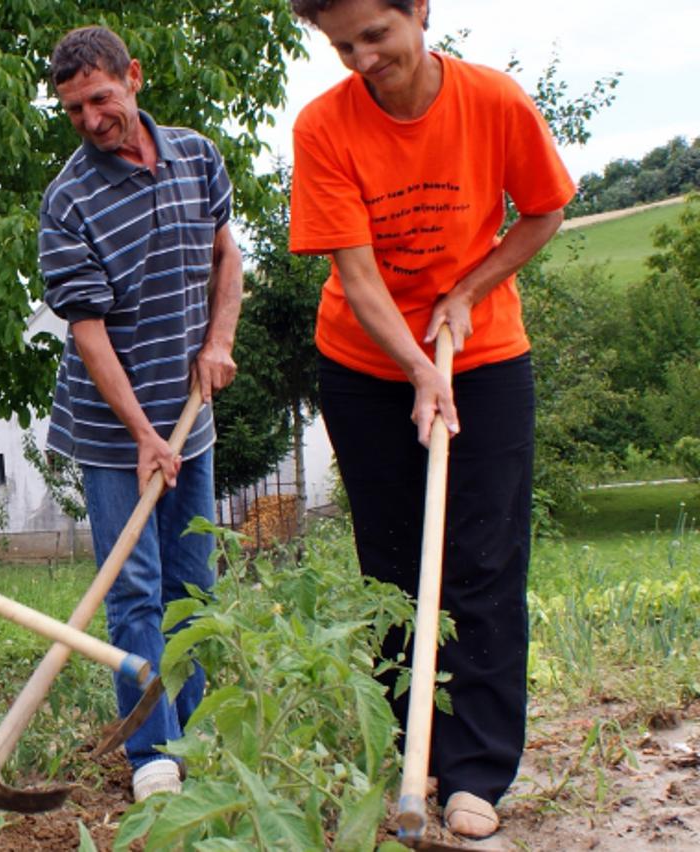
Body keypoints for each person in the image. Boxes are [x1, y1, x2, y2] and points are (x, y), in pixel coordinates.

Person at [287, 0, 574, 839]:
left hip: (482, 360)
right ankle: (411, 753)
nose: (362, 58)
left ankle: (476, 772)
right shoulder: (324, 127)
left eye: (376, 35)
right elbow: (358, 273)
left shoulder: (495, 103)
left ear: (418, 10)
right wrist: (415, 369)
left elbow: (545, 210)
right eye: (342, 46)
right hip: (365, 365)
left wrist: (468, 290)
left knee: (481, 559)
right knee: (394, 568)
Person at [39, 25, 243, 802]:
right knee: (134, 590)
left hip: (192, 412)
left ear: (134, 77)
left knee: (195, 585)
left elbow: (228, 253)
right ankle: (152, 755)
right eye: (72, 109)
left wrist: (219, 340)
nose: (90, 119)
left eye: (99, 98)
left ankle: (189, 733)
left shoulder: (196, 155)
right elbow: (86, 329)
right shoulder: (68, 201)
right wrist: (142, 435)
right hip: (111, 427)